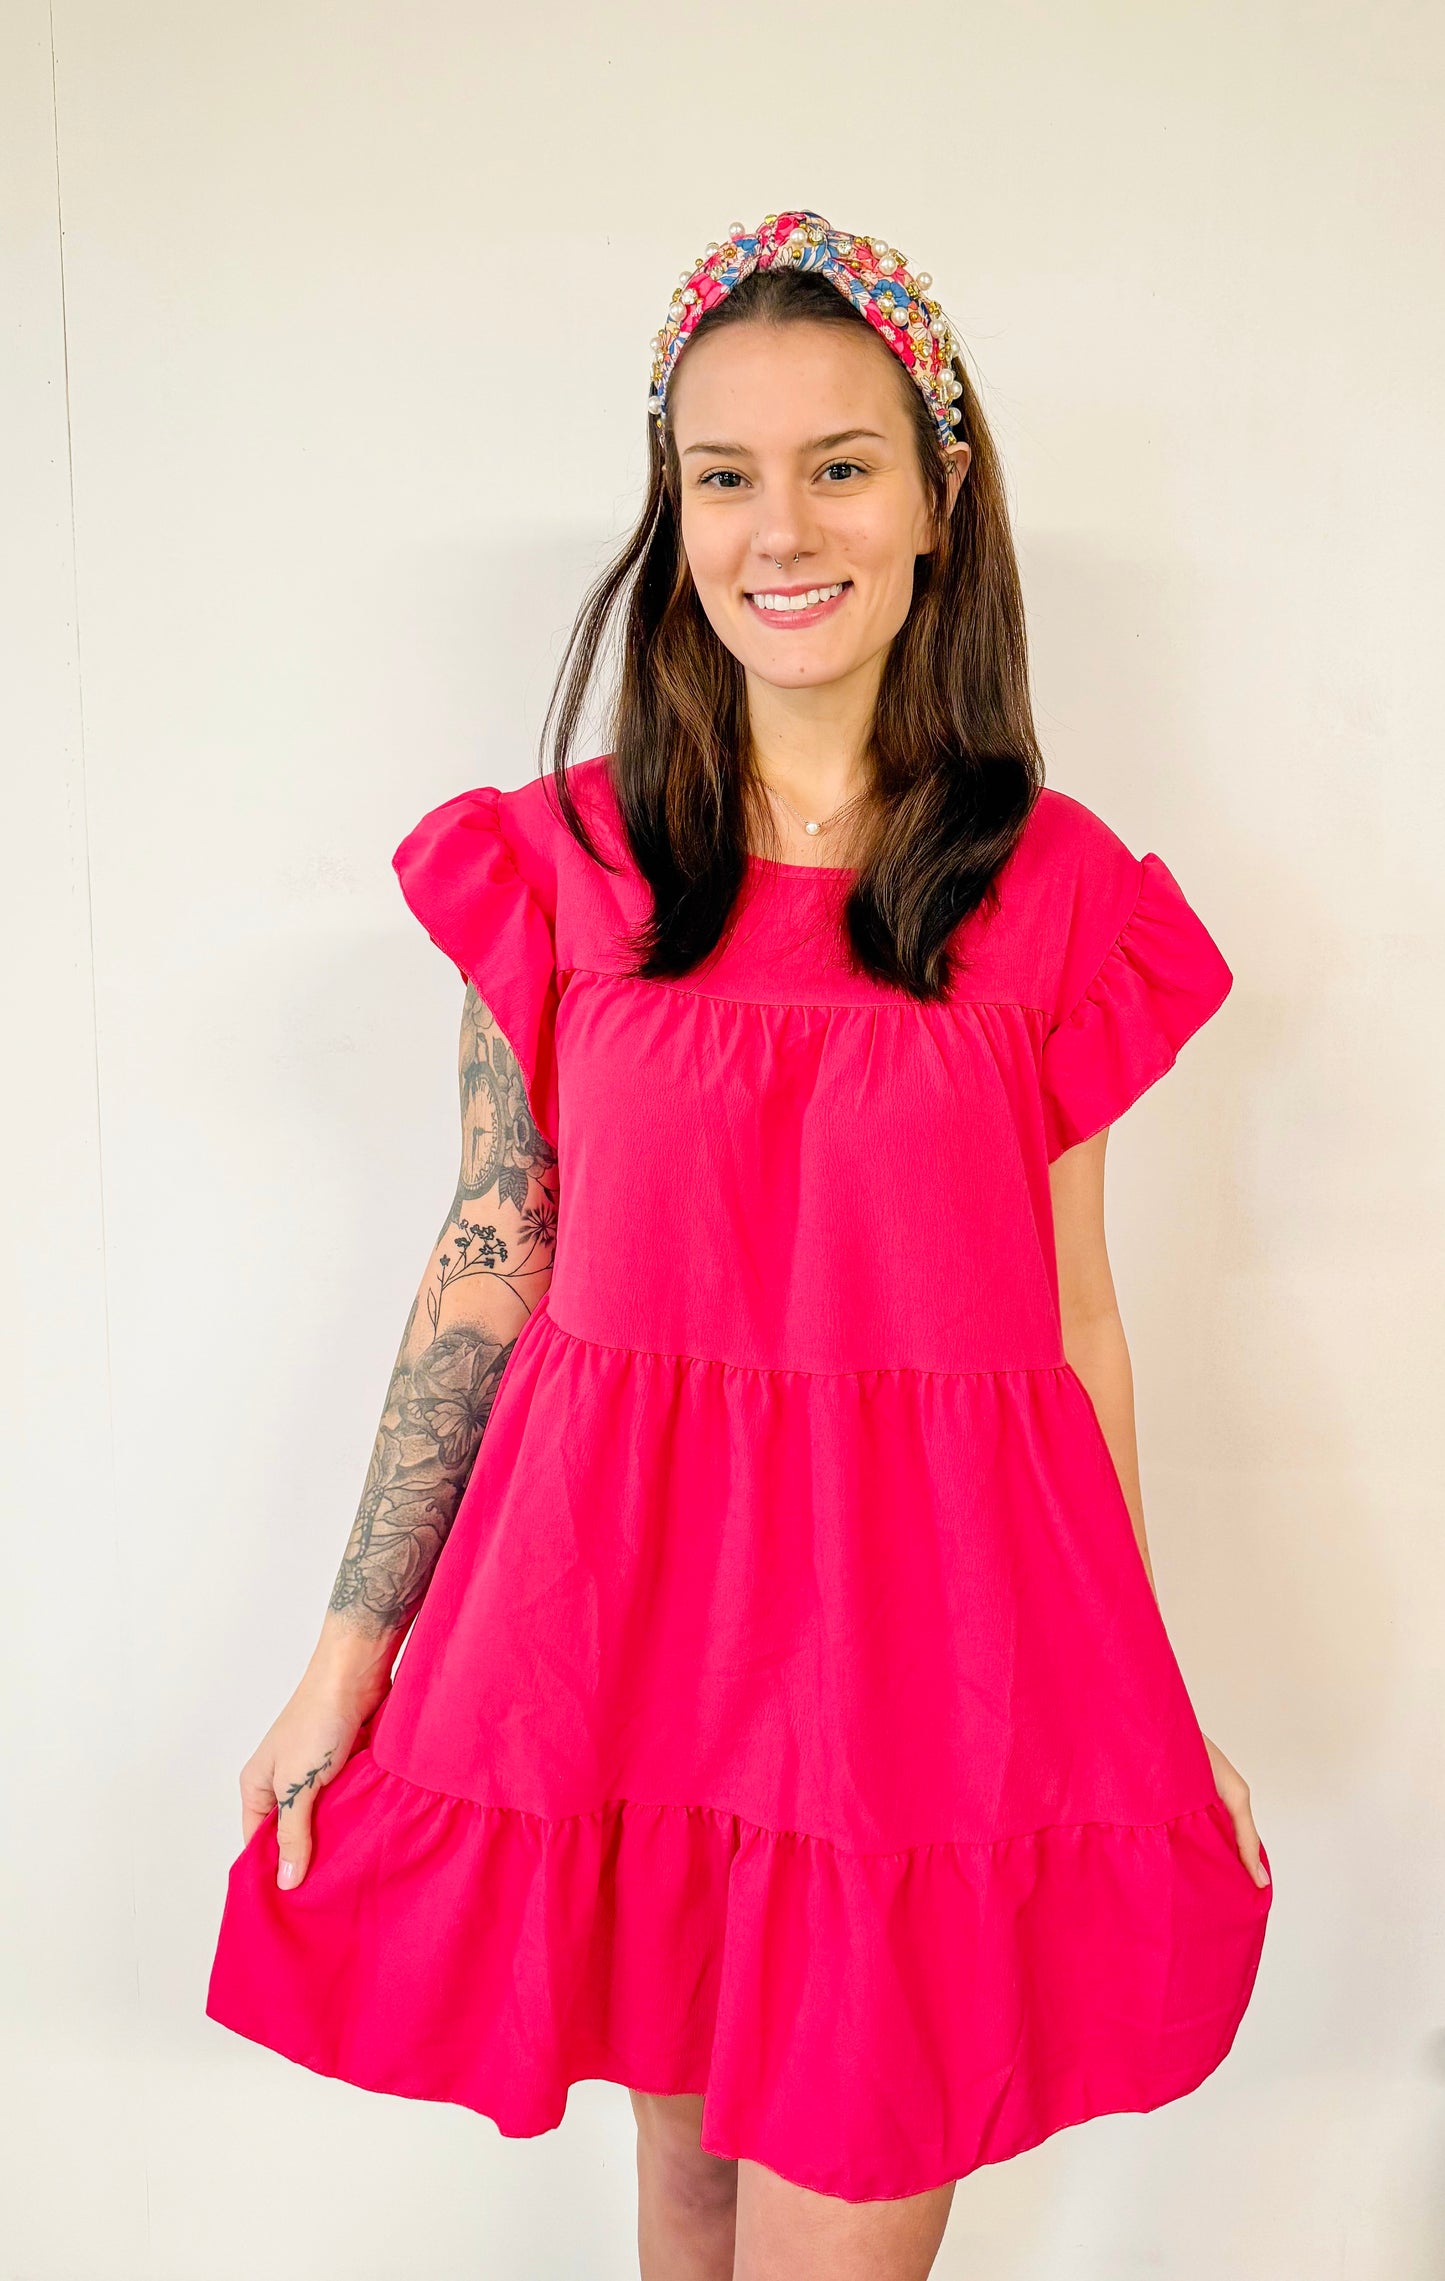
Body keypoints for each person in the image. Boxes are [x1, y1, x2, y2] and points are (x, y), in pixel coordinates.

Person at [206, 209, 1273, 2280]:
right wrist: (350, 1654)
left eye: (840, 464)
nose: (781, 529)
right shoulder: (564, 865)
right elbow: (489, 1263)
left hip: (923, 1661)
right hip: (627, 1633)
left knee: (838, 2209)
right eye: (724, 474)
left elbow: (1076, 1325)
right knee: (688, 2200)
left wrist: (1137, 1694)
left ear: (938, 500)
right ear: (673, 511)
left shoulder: (1057, 897)